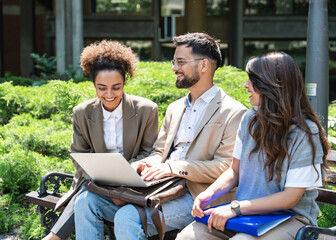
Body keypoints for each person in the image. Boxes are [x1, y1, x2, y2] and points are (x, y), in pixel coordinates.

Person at [74, 32, 247, 239]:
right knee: (86, 202)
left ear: (204, 65)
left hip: (196, 195)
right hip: (158, 187)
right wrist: (144, 164)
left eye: (180, 62)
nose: (174, 68)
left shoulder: (234, 112)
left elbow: (226, 167)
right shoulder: (175, 108)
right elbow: (159, 151)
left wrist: (173, 168)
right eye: (174, 61)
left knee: (127, 217)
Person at [176, 51, 331, 240]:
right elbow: (235, 172)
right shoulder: (250, 119)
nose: (245, 85)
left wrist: (235, 208)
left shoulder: (305, 133)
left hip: (292, 220)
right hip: (248, 216)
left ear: (272, 85)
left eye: (252, 80)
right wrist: (208, 194)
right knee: (189, 237)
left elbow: (290, 197)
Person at [43, 40, 159, 240]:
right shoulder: (82, 112)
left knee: (86, 201)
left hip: (133, 187)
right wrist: (103, 181)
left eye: (116, 87)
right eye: (101, 88)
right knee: (84, 201)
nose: (109, 94)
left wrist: (126, 175)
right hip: (96, 183)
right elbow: (79, 154)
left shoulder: (146, 110)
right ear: (93, 85)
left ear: (125, 82)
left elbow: (150, 152)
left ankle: (54, 237)